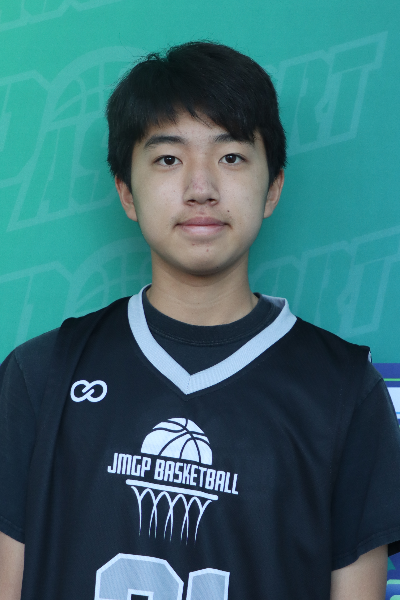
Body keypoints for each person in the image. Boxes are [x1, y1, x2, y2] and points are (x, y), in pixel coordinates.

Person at [0, 41, 400, 600]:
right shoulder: (40, 376)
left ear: (273, 187)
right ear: (126, 192)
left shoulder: (344, 392)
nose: (201, 188)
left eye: (231, 157)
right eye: (168, 159)